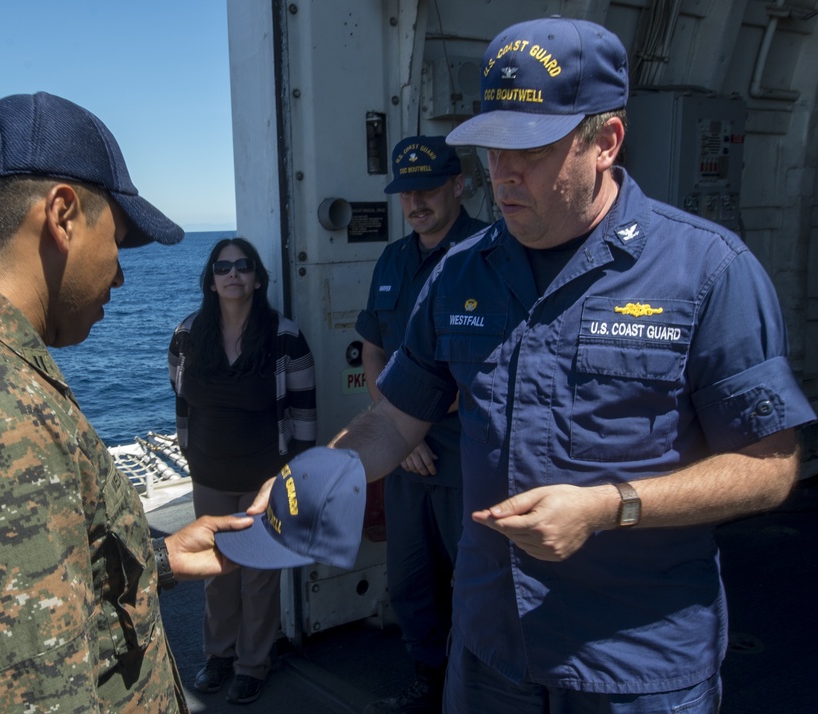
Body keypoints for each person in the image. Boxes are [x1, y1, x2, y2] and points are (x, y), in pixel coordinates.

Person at [252, 16, 816, 714]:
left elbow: (771, 464)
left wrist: (611, 508)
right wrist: (309, 483)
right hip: (493, 654)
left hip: (637, 666)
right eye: (492, 147)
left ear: (605, 141)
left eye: (532, 149)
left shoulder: (708, 271)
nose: (502, 173)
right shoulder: (461, 272)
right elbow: (395, 420)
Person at [0, 92, 255, 714]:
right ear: (62, 215)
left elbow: (22, 592)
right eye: (120, 238)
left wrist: (156, 558)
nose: (120, 274)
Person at [356, 136, 486, 713]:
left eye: (428, 188)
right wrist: (400, 430)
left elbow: (493, 362)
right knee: (411, 583)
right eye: (405, 193)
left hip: (466, 455)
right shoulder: (393, 259)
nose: (415, 203)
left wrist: (409, 423)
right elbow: (371, 346)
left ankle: (478, 690)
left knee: (478, 582)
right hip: (406, 453)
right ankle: (428, 683)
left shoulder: (491, 251)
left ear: (459, 184)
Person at [168, 237, 317, 705]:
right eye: (223, 267)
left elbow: (305, 412)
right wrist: (189, 454)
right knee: (218, 573)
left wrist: (293, 475)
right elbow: (181, 399)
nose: (233, 274)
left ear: (257, 278)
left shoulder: (284, 336)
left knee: (258, 575)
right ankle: (219, 656)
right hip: (208, 475)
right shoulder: (187, 334)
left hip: (265, 479)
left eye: (243, 266)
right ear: (211, 281)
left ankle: (253, 664)